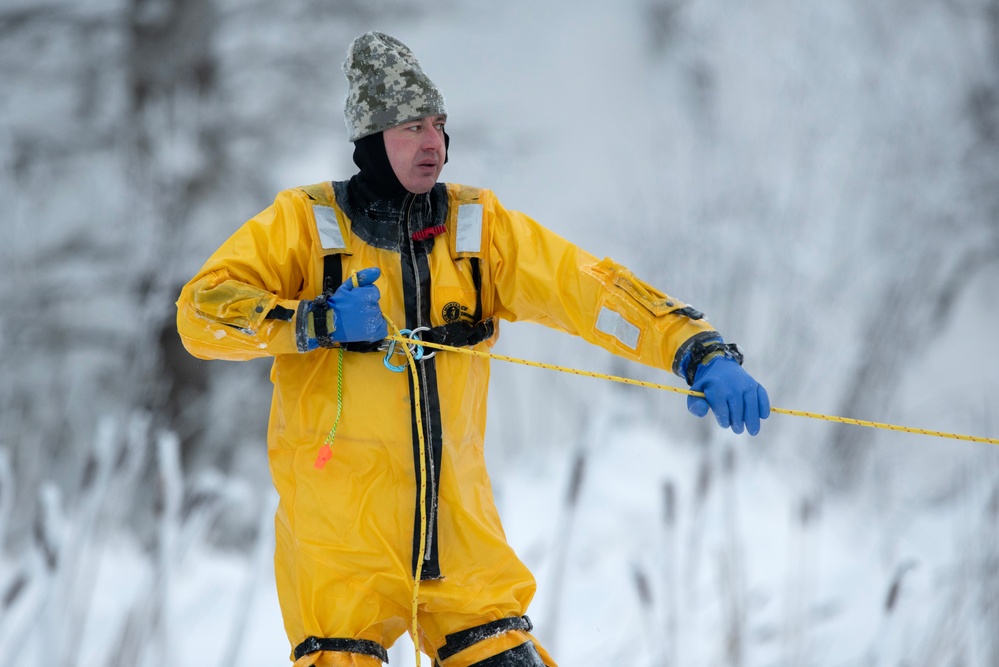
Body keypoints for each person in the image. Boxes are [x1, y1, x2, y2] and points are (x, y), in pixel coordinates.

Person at [176, 31, 769, 667]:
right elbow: (200, 312)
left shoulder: (477, 231)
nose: (433, 144)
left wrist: (695, 348)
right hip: (339, 556)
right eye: (410, 127)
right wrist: (312, 320)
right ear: (372, 141)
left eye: (438, 124)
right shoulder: (305, 225)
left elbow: (589, 290)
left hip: (461, 549)